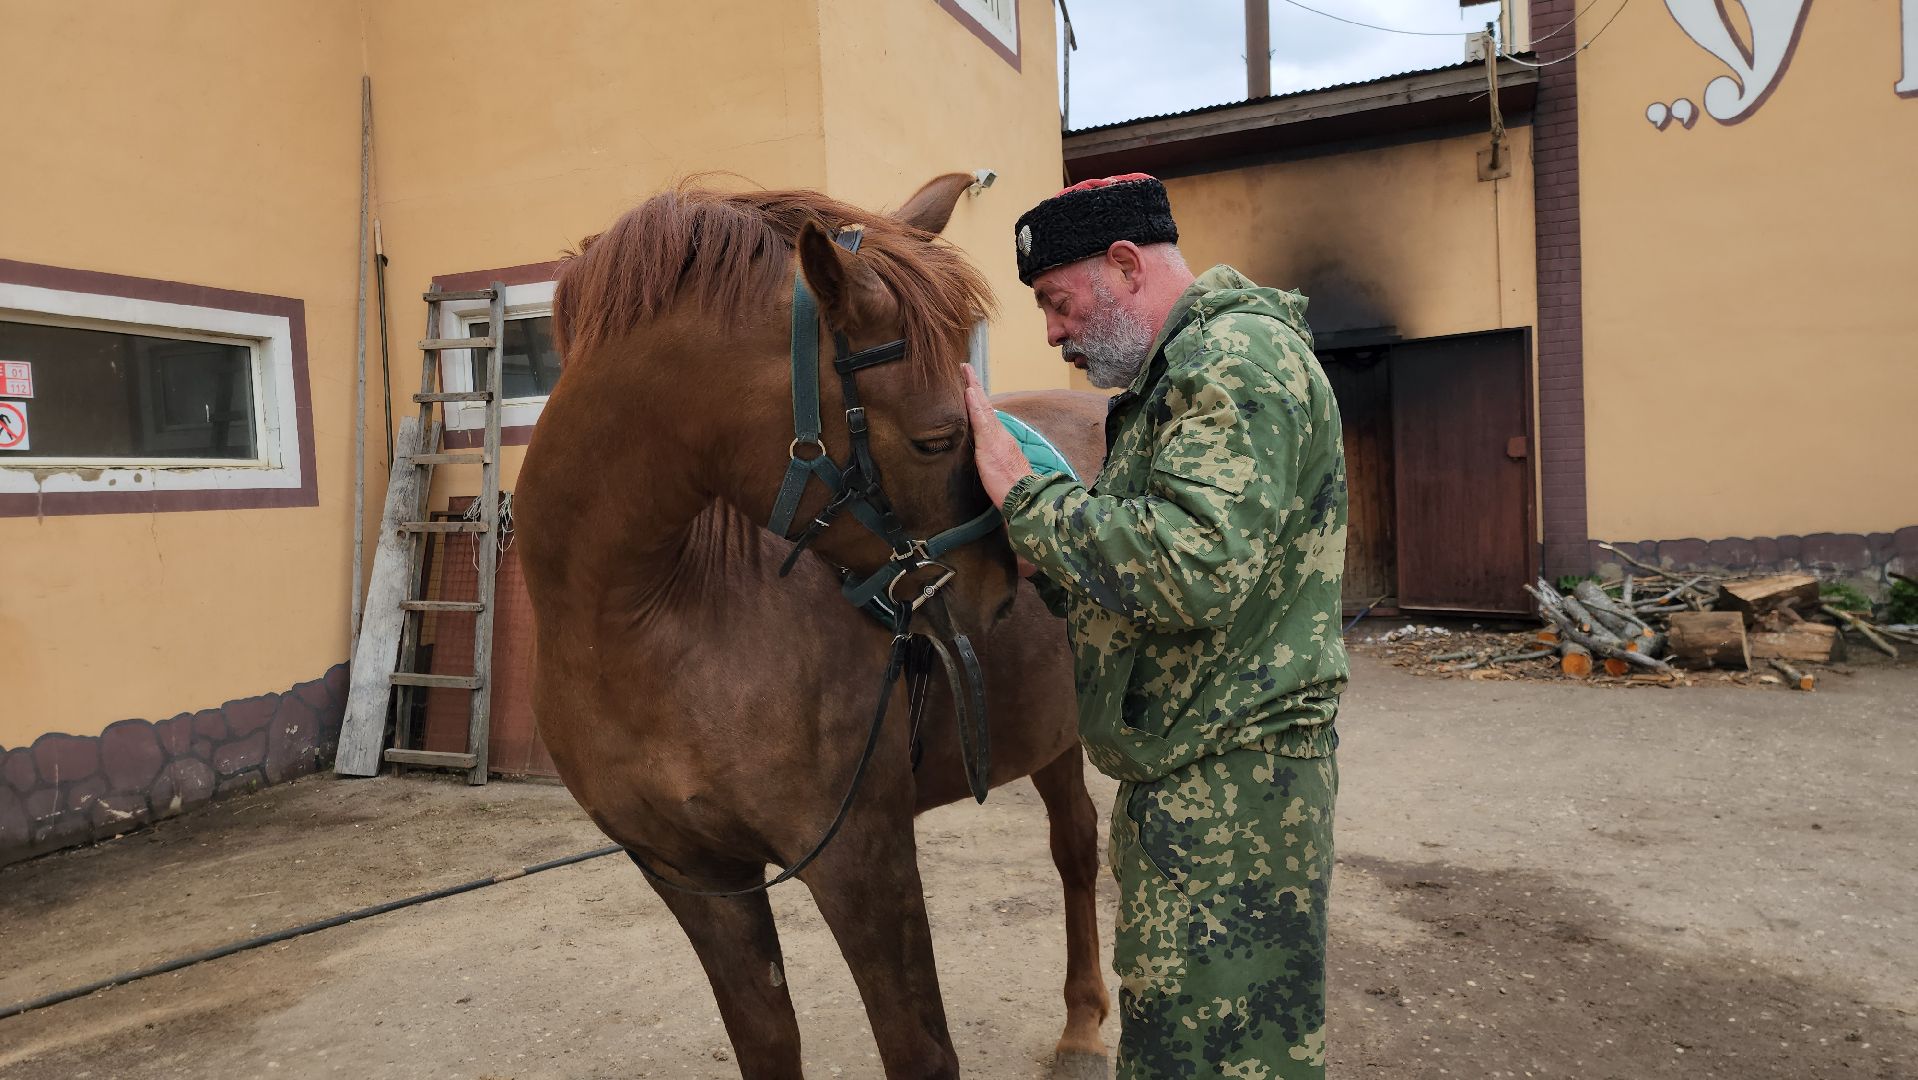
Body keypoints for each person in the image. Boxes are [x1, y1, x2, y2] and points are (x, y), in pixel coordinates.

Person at [962, 173, 1349, 1078]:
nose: (1053, 334)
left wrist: (1032, 499)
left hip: (1232, 786)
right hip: (1194, 774)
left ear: (1126, 267)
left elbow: (1192, 569)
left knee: (1223, 1054)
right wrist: (1047, 564)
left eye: (1057, 303)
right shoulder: (1182, 373)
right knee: (1182, 1041)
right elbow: (1162, 588)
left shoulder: (1234, 361)